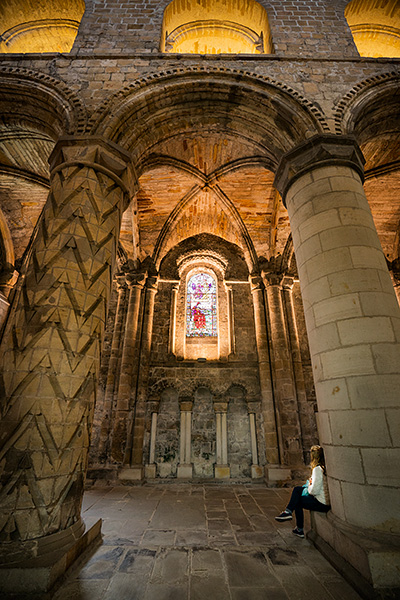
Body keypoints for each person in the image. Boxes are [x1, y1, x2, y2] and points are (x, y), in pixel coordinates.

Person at [274, 445, 330, 538]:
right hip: (323, 499)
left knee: (298, 502)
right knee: (297, 489)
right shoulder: (324, 468)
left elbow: (314, 491)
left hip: (321, 502)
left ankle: (298, 527)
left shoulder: (317, 469)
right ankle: (288, 513)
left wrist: (309, 486)